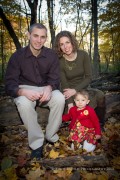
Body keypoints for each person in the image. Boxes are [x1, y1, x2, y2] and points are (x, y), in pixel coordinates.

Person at [5, 23, 65, 160]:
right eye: (35, 36)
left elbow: (55, 79)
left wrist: (50, 88)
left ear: (46, 39)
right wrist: (22, 92)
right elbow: (9, 84)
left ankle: (51, 135)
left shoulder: (51, 55)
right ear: (28, 35)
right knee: (23, 103)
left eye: (42, 37)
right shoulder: (17, 57)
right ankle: (37, 143)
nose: (39, 40)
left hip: (46, 88)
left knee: (60, 98)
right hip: (25, 89)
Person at [53, 30, 106, 130]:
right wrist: (69, 103)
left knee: (100, 95)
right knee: (69, 111)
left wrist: (75, 90)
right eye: (62, 44)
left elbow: (88, 77)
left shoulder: (83, 55)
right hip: (68, 92)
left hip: (84, 88)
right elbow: (64, 85)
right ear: (59, 47)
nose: (65, 46)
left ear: (72, 42)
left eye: (67, 42)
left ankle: (100, 124)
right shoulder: (59, 61)